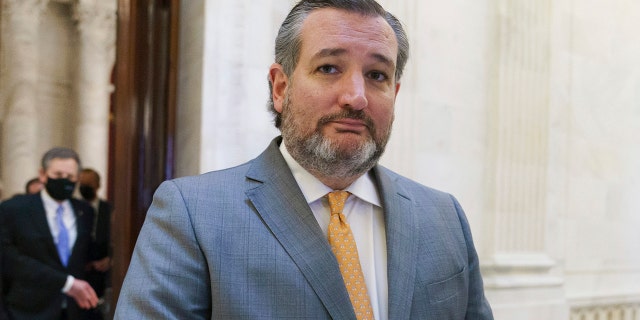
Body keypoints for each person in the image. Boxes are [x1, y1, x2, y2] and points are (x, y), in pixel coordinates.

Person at [115, 0, 493, 319]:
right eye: (329, 68)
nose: (356, 97)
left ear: (394, 94)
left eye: (377, 75)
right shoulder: (192, 215)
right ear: (281, 87)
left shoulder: (445, 217)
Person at [0, 147, 99, 319]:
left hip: (74, 310)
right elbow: (10, 258)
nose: (64, 181)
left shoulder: (85, 211)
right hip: (28, 311)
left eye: (70, 177)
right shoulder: (15, 209)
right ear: (43, 174)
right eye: (58, 175)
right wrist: (66, 284)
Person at [78, 168, 113, 320]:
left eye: (88, 184)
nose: (84, 187)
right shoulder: (72, 209)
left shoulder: (110, 209)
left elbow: (117, 240)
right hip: (79, 273)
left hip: (102, 274)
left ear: (98, 185)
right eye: (82, 184)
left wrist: (110, 260)